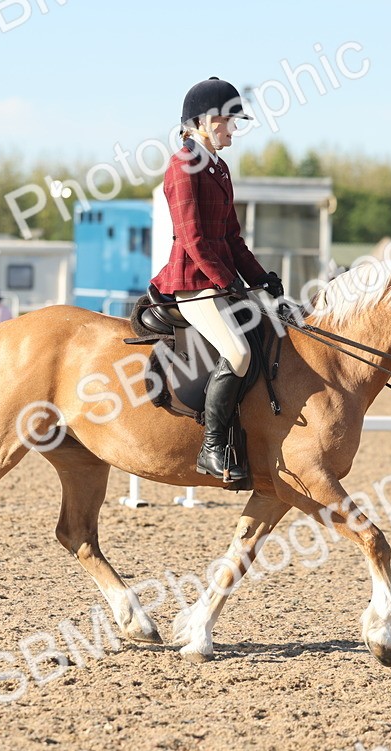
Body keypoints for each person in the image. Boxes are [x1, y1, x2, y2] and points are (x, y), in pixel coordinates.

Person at [149, 77, 285, 482]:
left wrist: (261, 277)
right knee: (239, 354)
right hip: (192, 283)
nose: (233, 129)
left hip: (218, 281)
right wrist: (227, 281)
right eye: (228, 121)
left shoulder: (219, 168)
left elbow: (231, 238)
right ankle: (211, 448)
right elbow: (192, 238)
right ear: (204, 122)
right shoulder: (181, 167)